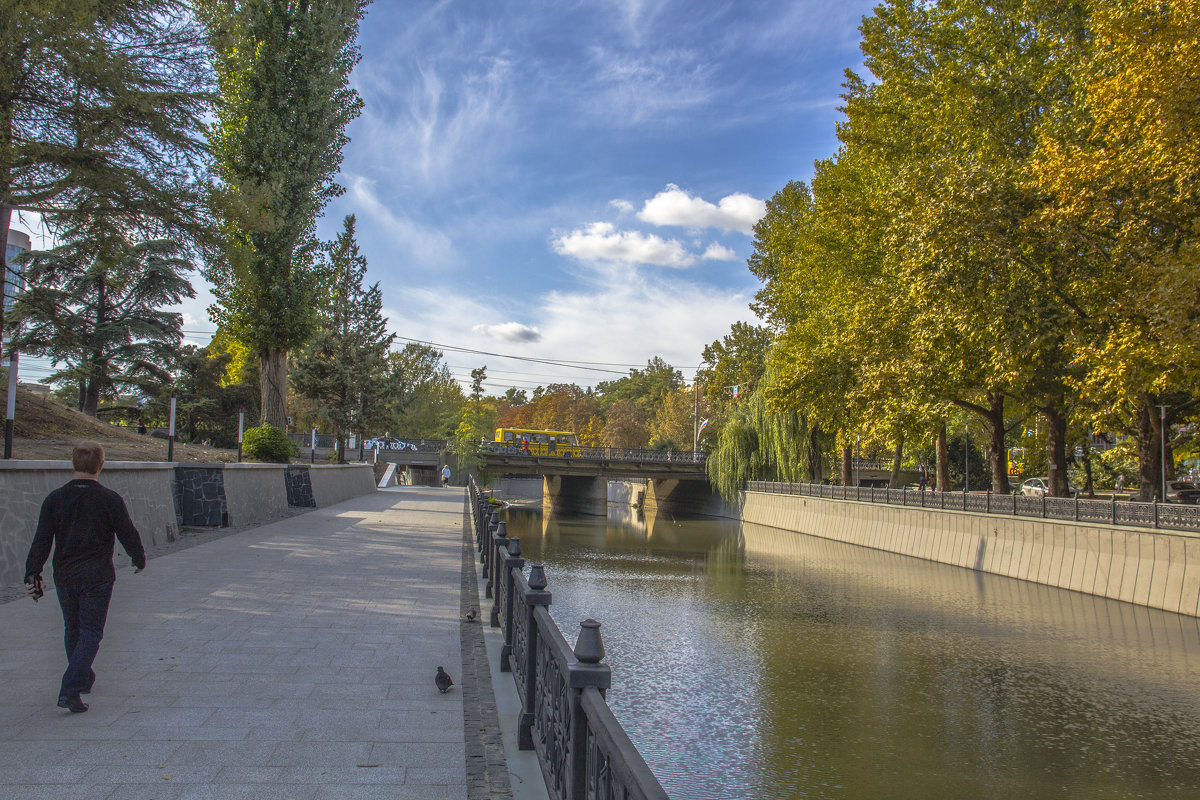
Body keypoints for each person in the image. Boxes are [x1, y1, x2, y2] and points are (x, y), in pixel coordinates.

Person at [24, 441, 146, 714]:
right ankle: (71, 688)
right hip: (97, 576)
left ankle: (84, 678)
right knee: (91, 631)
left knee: (73, 629)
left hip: (65, 575)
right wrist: (138, 558)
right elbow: (127, 532)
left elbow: (41, 540)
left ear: (73, 463)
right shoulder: (109, 499)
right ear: (101, 465)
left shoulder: (54, 499)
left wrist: (32, 572)